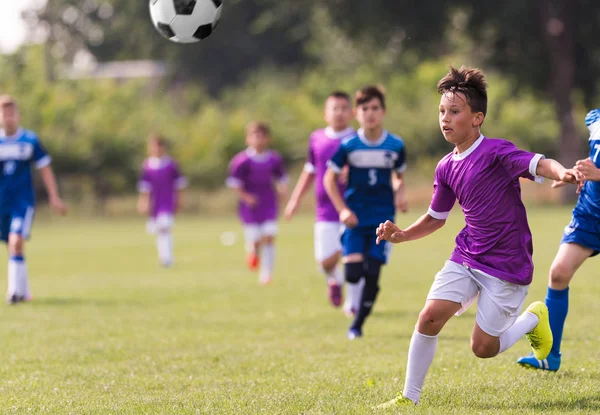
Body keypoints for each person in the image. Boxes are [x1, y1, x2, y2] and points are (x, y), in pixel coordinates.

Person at [375, 66, 582, 408]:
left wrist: (564, 172)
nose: (445, 118)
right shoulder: (445, 167)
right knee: (428, 317)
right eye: (442, 111)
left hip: (507, 265)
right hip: (468, 255)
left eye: (455, 111)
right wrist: (402, 235)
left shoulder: (497, 152)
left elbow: (539, 164)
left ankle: (534, 318)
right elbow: (436, 218)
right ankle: (409, 398)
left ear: (477, 118)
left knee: (482, 349)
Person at [516, 108, 600, 371]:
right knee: (559, 273)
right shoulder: (595, 118)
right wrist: (579, 173)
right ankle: (549, 355)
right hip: (590, 213)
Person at [324, 86, 408, 339]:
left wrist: (400, 192)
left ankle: (357, 324)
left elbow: (397, 175)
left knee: (372, 273)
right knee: (352, 274)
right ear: (356, 113)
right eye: (364, 109)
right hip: (355, 219)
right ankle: (345, 290)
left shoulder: (395, 144)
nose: (370, 114)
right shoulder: (348, 145)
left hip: (383, 220)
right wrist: (342, 210)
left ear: (383, 112)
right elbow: (329, 179)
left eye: (375, 108)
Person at [284, 91, 363, 312]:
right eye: (334, 108)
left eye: (343, 108)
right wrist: (294, 200)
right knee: (324, 262)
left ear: (351, 112)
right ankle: (335, 280)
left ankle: (353, 304)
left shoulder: (359, 139)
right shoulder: (316, 138)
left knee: (354, 256)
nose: (339, 113)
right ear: (325, 113)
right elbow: (309, 171)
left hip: (353, 207)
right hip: (325, 210)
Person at [0, 95, 68, 304]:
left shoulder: (30, 140)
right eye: (4, 113)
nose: (8, 117)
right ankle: (25, 291)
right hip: (2, 203)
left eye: (11, 113)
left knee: (16, 241)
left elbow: (45, 169)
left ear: (18, 115)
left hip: (22, 202)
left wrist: (54, 197)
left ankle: (14, 293)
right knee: (12, 246)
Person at [227, 122, 288, 285]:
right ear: (248, 139)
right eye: (255, 135)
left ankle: (266, 274)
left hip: (269, 203)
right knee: (255, 239)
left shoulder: (274, 159)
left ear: (268, 139)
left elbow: (281, 178)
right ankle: (253, 251)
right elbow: (234, 184)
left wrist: (282, 190)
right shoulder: (241, 161)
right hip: (250, 207)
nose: (258, 139)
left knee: (269, 236)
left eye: (262, 135)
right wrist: (246, 197)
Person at [137, 134, 188, 267]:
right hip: (155, 202)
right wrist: (143, 201)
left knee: (165, 228)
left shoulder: (171, 164)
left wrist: (180, 199)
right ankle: (164, 256)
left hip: (167, 201)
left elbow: (179, 184)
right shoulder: (148, 165)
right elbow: (145, 187)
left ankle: (167, 259)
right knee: (157, 230)